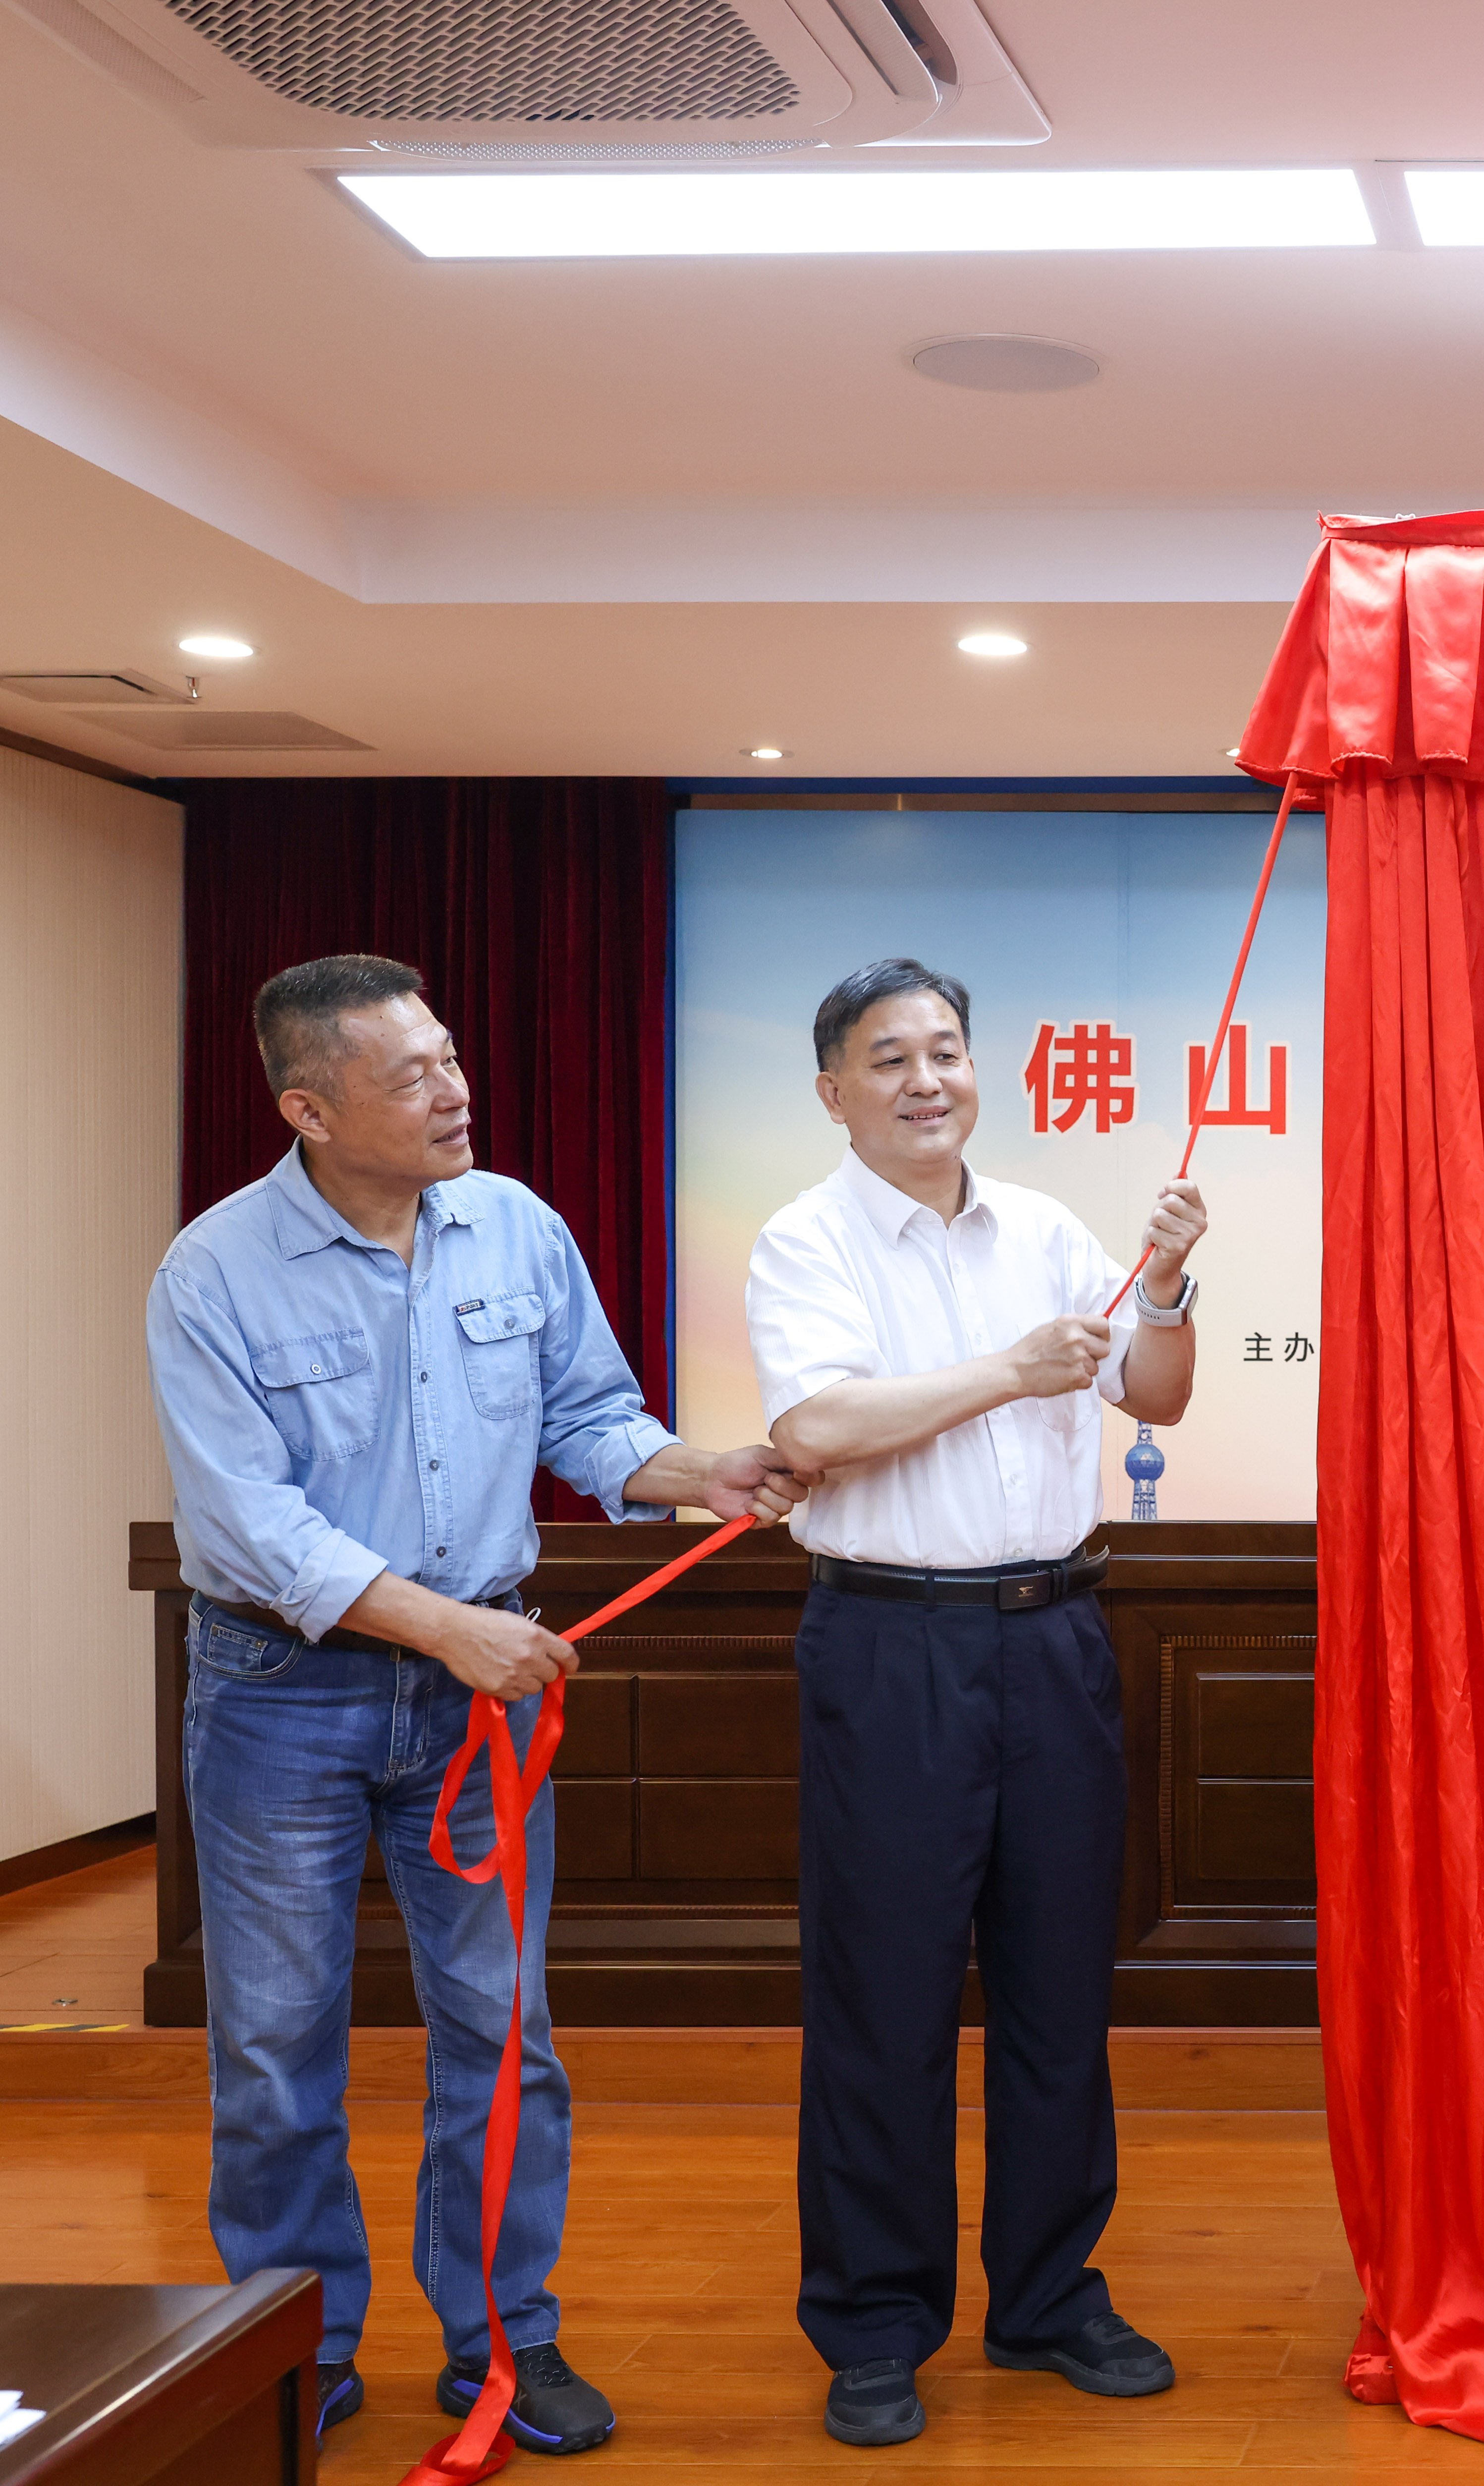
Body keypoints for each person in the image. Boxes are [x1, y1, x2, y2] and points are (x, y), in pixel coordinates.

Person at [146, 953, 804, 2454]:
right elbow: (257, 1529)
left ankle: (508, 2341)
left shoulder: (516, 1225)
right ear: (309, 1108)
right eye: (412, 1074)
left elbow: (591, 1417)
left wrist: (703, 1472)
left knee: (504, 2033)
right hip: (281, 1699)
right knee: (271, 2047)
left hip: (477, 1693)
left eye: (451, 1057)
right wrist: (450, 1632)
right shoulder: (212, 1274)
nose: (456, 1091)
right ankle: (290, 2353)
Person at [744, 959, 1208, 2449]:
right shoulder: (806, 1243)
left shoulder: (1051, 1228)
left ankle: (1052, 2296)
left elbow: (1160, 1394)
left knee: (1061, 1984)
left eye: (946, 1050)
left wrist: (1175, 1287)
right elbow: (818, 1428)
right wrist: (1008, 1370)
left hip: (1057, 1637)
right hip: (893, 1651)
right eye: (892, 1058)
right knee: (883, 2000)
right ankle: (877, 2324)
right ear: (836, 1091)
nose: (928, 1078)